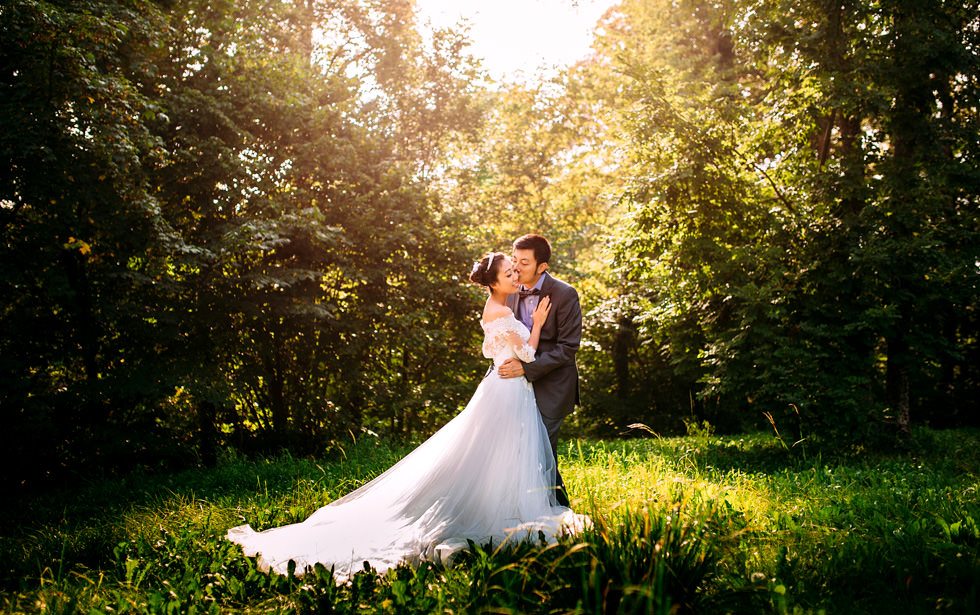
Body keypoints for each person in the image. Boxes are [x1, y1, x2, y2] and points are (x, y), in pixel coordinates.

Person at [226, 252, 585, 582]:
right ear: (494, 282)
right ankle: (501, 508)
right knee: (503, 451)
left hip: (499, 386)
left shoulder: (493, 307)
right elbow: (528, 352)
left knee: (496, 453)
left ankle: (506, 501)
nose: (514, 275)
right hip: (508, 391)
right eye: (508, 272)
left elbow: (491, 349)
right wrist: (536, 324)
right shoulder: (504, 312)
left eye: (515, 269)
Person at [498, 234, 582, 507]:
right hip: (515, 385)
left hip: (553, 384)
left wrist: (525, 369)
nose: (516, 267)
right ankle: (523, 508)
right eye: (514, 260)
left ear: (541, 266)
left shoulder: (565, 294)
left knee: (541, 451)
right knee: (515, 450)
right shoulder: (509, 291)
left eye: (524, 262)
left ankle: (558, 511)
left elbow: (567, 348)